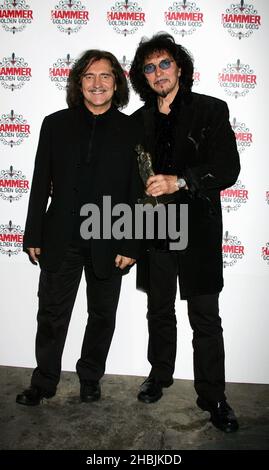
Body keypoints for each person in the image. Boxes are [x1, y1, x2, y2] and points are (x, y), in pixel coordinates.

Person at [16, 49, 141, 406]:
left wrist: (131, 244)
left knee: (102, 315)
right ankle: (43, 382)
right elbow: (40, 182)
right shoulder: (54, 124)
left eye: (105, 76)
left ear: (116, 83)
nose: (97, 83)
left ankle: (90, 377)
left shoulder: (132, 129)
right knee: (52, 314)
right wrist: (32, 233)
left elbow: (137, 191)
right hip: (61, 237)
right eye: (89, 76)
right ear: (78, 83)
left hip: (110, 236)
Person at [129, 33, 240, 432]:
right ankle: (159, 375)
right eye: (149, 66)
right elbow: (126, 178)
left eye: (165, 64)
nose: (158, 72)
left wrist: (180, 182)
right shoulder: (137, 121)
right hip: (154, 229)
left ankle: (215, 396)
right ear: (142, 76)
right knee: (158, 310)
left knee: (205, 317)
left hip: (199, 230)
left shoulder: (210, 110)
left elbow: (228, 169)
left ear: (180, 68)